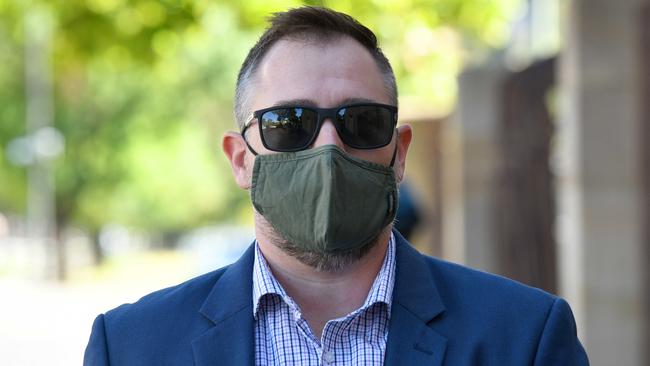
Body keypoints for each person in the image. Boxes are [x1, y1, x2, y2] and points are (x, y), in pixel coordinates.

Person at [83, 6, 589, 365]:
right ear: (240, 159)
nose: (329, 148)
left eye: (362, 122)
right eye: (289, 123)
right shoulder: (129, 347)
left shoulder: (524, 339)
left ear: (400, 152)